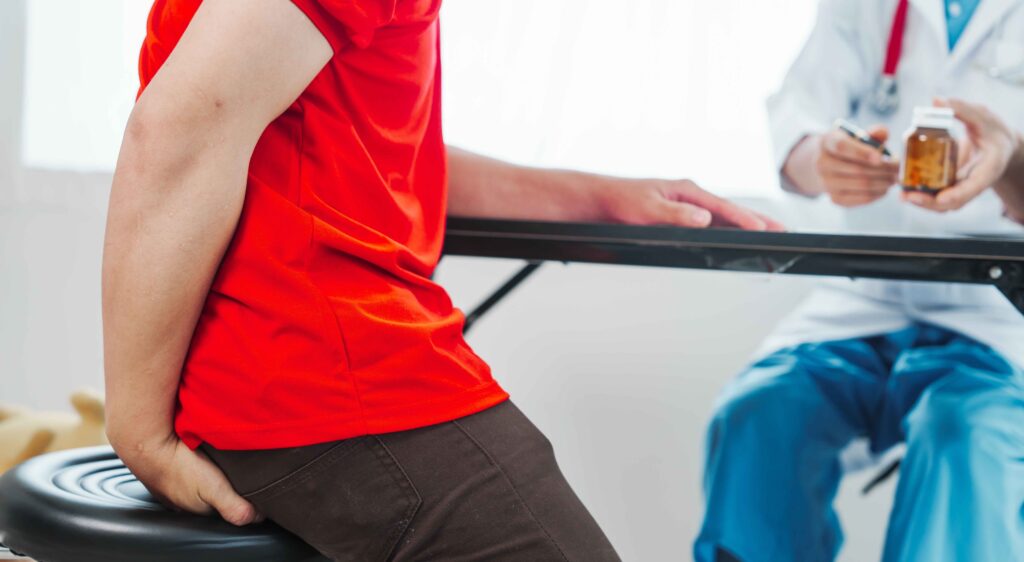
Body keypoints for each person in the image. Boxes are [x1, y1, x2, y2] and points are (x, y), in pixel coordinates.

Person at [101, 1, 780, 561]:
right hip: (324, 377)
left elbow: (359, 147)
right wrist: (139, 434)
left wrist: (599, 197)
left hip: (284, 374)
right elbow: (178, 131)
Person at [696, 1, 1024, 561]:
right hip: (864, 291)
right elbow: (800, 121)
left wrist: (1010, 159)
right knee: (756, 416)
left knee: (962, 434)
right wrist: (824, 161)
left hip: (999, 306)